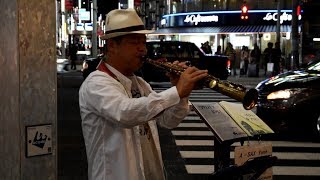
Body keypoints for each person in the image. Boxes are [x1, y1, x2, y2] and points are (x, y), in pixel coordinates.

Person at [78, 9, 208, 180]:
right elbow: (126, 113)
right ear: (112, 45)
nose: (142, 49)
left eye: (143, 42)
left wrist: (182, 94)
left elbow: (168, 121)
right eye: (134, 42)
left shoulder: (139, 83)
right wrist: (176, 92)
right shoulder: (96, 83)